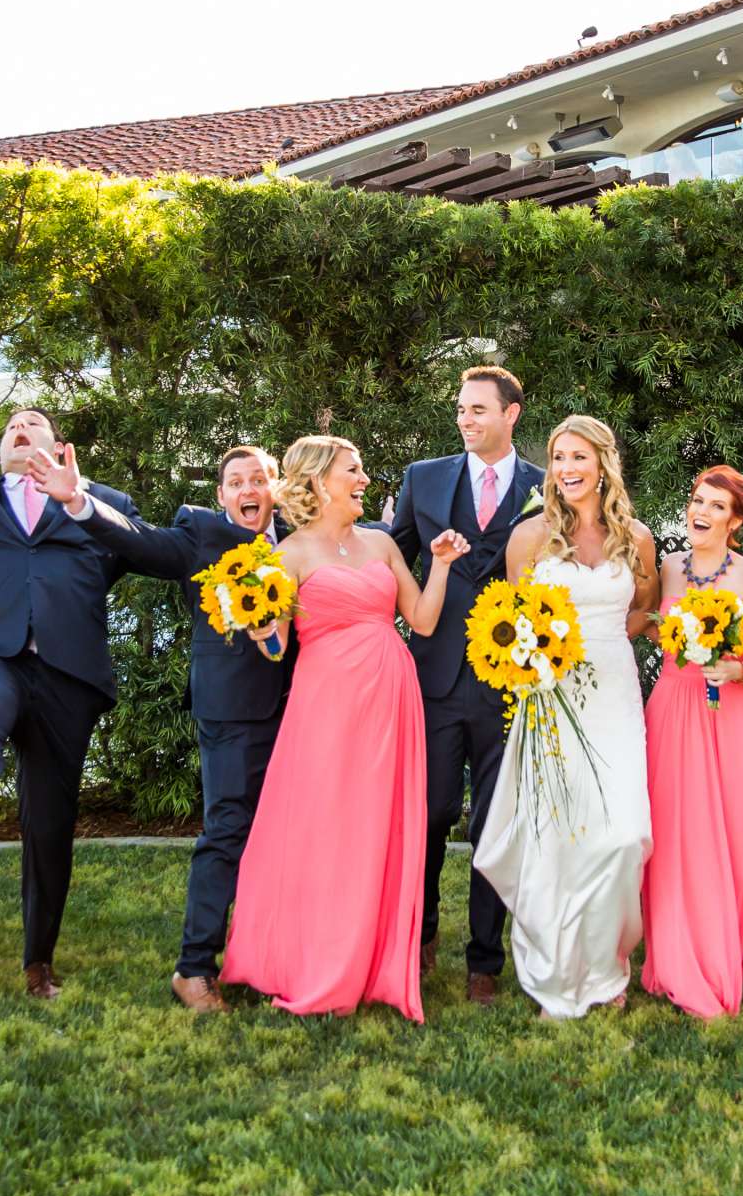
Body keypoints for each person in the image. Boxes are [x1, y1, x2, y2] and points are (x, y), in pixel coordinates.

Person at [36, 442, 293, 1013]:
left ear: (274, 489)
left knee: (286, 836)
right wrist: (77, 500)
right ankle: (194, 967)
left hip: (302, 708)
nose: (248, 491)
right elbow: (136, 540)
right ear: (221, 494)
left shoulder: (298, 539)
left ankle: (274, 959)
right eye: (236, 482)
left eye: (258, 480)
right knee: (227, 832)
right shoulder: (200, 535)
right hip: (232, 710)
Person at [221, 435, 464, 1020]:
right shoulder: (290, 555)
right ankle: (314, 958)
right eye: (353, 471)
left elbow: (424, 621)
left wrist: (443, 564)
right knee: (326, 824)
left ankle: (374, 957)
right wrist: (256, 624)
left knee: (379, 825)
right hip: (327, 701)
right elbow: (277, 645)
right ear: (318, 482)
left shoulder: (382, 544)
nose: (364, 479)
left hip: (390, 697)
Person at [0, 408, 141, 999]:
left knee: (50, 820)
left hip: (66, 673)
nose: (20, 427)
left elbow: (137, 549)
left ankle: (38, 962)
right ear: (0, 451)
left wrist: (82, 501)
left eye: (34, 422)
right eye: (10, 427)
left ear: (58, 444)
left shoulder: (101, 500)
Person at [472, 414, 657, 1019]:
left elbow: (645, 610)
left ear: (604, 463)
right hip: (548, 702)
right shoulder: (529, 538)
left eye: (579, 457)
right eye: (558, 458)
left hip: (613, 697)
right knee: (557, 839)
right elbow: (512, 619)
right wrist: (542, 664)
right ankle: (555, 975)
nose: (568, 469)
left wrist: (598, 643)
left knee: (622, 835)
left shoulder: (638, 538)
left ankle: (605, 967)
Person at [390, 364, 545, 1006]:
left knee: (496, 821)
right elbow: (392, 555)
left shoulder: (544, 487)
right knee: (426, 814)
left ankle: (484, 959)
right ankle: (417, 936)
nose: (466, 418)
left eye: (479, 409)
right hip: (434, 673)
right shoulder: (422, 479)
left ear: (511, 414)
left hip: (510, 679)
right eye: (461, 409)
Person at [641, 465, 743, 1018]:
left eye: (714, 507)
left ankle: (736, 946)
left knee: (739, 837)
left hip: (734, 717)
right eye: (697, 501)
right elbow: (652, 624)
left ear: (735, 522)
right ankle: (683, 952)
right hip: (675, 711)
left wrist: (737, 673)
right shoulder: (669, 568)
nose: (700, 512)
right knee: (679, 836)